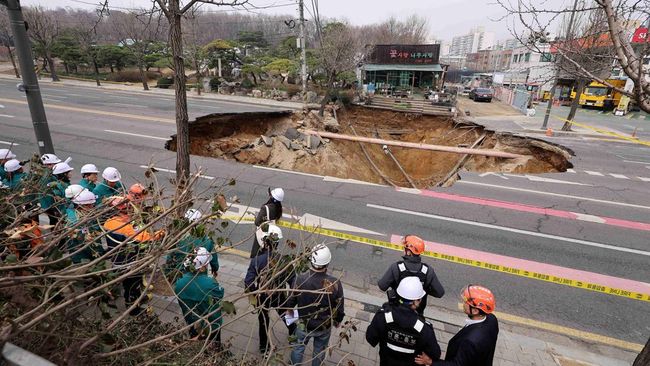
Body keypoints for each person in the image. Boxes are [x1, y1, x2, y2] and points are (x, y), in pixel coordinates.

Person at [286, 244, 344, 366]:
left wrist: (290, 313)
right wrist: (338, 320)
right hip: (324, 326)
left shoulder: (300, 279)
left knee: (298, 348)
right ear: (327, 263)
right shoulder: (334, 283)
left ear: (311, 261)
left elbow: (290, 302)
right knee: (319, 351)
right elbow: (339, 306)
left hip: (303, 324)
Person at [104, 196, 163, 316]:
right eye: (128, 209)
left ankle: (137, 299)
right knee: (132, 285)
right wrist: (161, 233)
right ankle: (133, 309)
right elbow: (144, 237)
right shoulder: (124, 226)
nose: (130, 210)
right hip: (128, 262)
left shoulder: (109, 222)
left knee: (131, 283)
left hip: (119, 260)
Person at [244, 223, 296, 354]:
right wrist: (291, 302)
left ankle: (264, 347)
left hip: (262, 297)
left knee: (263, 322)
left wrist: (255, 298)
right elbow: (294, 283)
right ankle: (293, 335)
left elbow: (248, 282)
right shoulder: (285, 261)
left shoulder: (257, 260)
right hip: (279, 295)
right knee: (286, 315)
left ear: (265, 242)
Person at [366, 277, 441, 366]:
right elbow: (435, 354)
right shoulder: (424, 329)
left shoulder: (382, 317)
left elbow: (370, 338)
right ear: (415, 302)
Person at [418, 285, 499, 366]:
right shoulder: (492, 319)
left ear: (475, 310)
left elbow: (457, 364)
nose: (463, 303)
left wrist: (431, 362)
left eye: (466, 302)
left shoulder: (469, 341)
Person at [378, 235, 444, 316]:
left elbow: (382, 286)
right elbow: (440, 292)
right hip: (416, 313)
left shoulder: (396, 267)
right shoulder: (428, 270)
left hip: (396, 309)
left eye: (405, 248)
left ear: (409, 252)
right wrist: (424, 290)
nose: (404, 250)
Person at [174, 247, 225, 346]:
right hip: (211, 323)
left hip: (191, 320)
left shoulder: (179, 282)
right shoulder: (210, 283)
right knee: (213, 344)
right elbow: (220, 294)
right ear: (201, 267)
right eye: (206, 264)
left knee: (195, 341)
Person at [166, 209, 219, 281]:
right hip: (200, 275)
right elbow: (214, 259)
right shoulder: (207, 241)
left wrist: (168, 273)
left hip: (180, 274)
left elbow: (169, 258)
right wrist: (215, 269)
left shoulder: (177, 239)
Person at [65, 189, 104, 263]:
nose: (93, 206)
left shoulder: (72, 212)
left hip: (77, 252)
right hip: (83, 256)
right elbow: (87, 242)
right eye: (92, 204)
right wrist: (99, 254)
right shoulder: (79, 222)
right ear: (85, 205)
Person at [250, 187, 284, 258]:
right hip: (271, 232)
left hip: (263, 232)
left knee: (258, 252)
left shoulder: (265, 208)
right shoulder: (278, 208)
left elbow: (257, 222)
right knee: (267, 252)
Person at [39, 154, 63, 225]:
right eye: (55, 164)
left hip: (46, 203)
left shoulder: (43, 173)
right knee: (54, 221)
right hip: (50, 203)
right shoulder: (48, 177)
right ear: (48, 165)